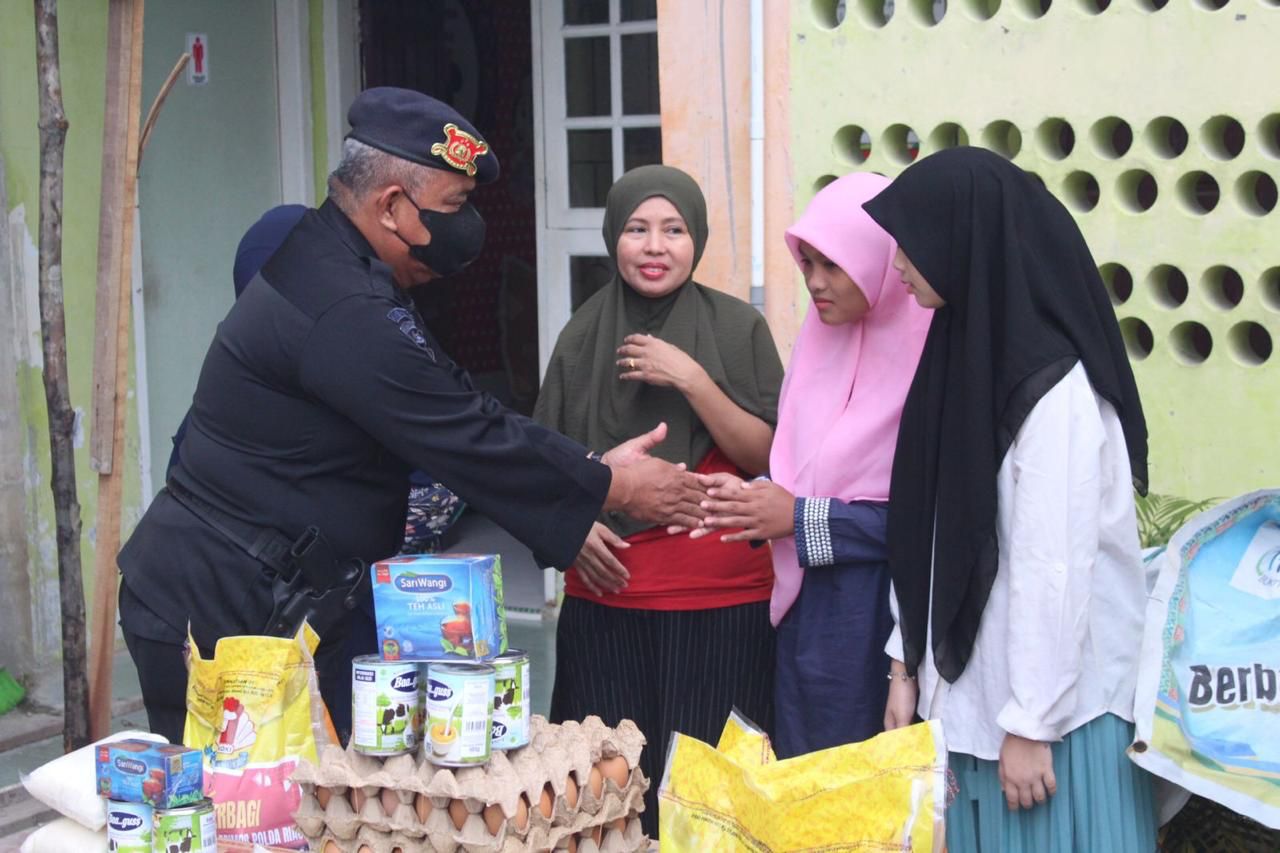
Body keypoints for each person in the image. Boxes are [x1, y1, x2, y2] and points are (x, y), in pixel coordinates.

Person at [117, 88, 706, 743]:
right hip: (216, 603)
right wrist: (614, 484)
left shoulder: (345, 267)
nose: (466, 227)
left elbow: (456, 402)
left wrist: (586, 475)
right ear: (393, 207)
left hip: (285, 597)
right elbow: (462, 432)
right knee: (244, 823)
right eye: (454, 206)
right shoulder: (340, 305)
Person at [863, 147, 1156, 851]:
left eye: (912, 241)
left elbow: (1054, 567)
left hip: (1054, 724)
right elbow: (926, 533)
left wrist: (1031, 722)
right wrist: (907, 666)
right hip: (972, 705)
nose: (897, 262)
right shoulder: (954, 365)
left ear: (964, 240)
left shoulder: (1055, 394)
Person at [534, 165, 784, 837]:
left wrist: (695, 379)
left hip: (722, 610)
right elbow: (540, 469)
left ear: (697, 237)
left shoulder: (738, 330)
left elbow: (771, 458)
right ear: (614, 235)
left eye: (673, 229)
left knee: (713, 808)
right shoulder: (582, 338)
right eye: (638, 229)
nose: (654, 246)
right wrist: (571, 525)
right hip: (608, 605)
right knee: (601, 802)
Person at [695, 173, 932, 759]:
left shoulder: (932, 359)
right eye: (807, 263)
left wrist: (799, 518)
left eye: (833, 264)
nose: (815, 283)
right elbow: (803, 477)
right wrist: (748, 502)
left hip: (888, 620)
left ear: (881, 258)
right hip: (807, 617)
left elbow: (932, 517)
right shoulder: (818, 344)